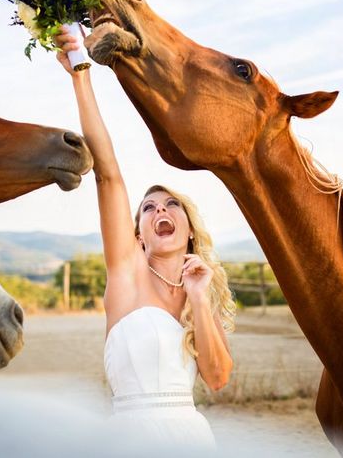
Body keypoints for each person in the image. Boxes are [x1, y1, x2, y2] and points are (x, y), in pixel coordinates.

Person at [55, 27, 236, 449]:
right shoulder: (126, 274)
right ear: (138, 233)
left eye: (171, 206)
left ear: (189, 229)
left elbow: (218, 378)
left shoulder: (200, 299)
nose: (160, 211)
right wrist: (80, 73)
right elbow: (108, 172)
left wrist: (196, 297)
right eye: (149, 209)